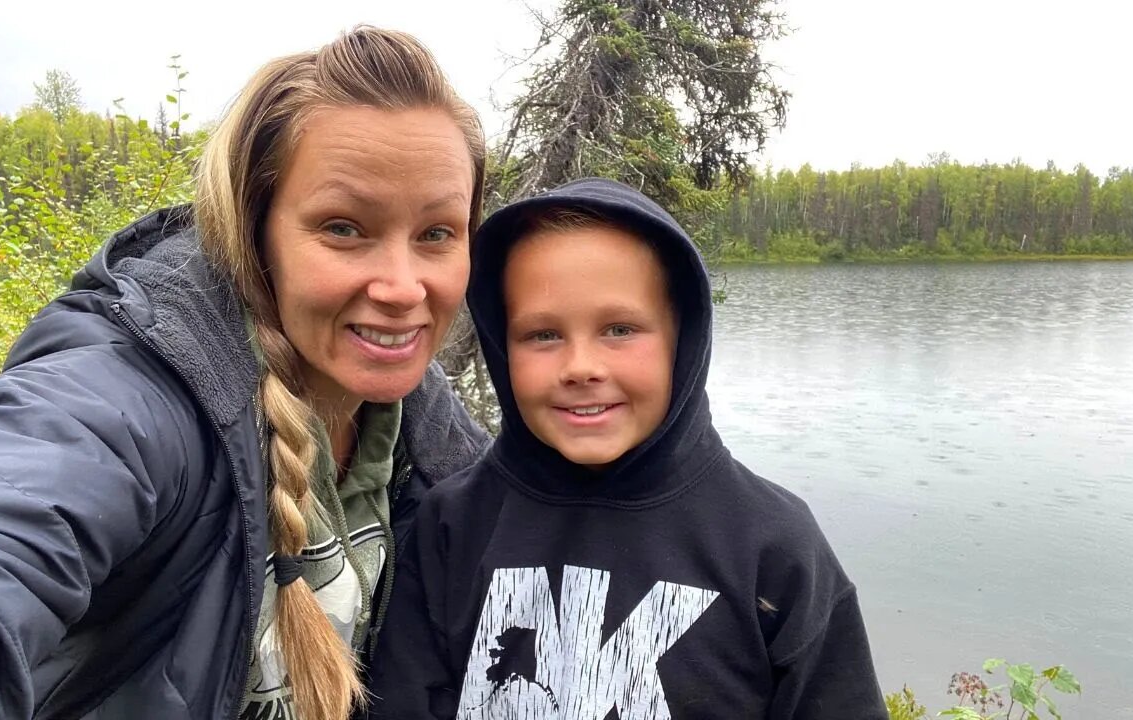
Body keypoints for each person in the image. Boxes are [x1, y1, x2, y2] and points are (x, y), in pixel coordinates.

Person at [0, 27, 489, 720]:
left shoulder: (433, 442)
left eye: (436, 233)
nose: (404, 288)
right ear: (256, 232)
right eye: (344, 228)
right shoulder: (139, 399)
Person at [367, 178, 889, 719]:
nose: (581, 368)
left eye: (619, 329)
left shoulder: (774, 546)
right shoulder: (452, 526)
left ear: (679, 339)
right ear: (502, 346)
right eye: (542, 335)